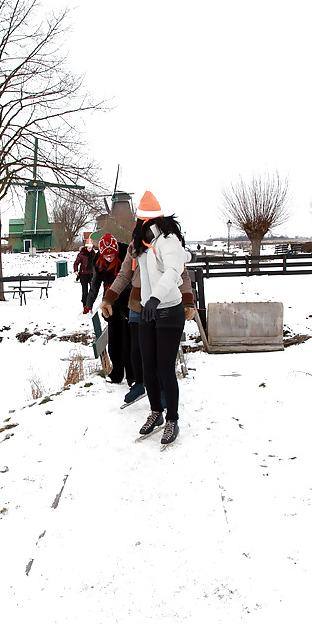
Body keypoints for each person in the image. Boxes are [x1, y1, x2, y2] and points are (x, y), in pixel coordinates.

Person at [123, 191, 195, 445]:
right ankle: (156, 412)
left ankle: (173, 418)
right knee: (148, 366)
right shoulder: (142, 243)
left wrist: (155, 298)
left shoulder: (168, 239)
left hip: (169, 309)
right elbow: (133, 270)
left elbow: (175, 269)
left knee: (165, 368)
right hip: (147, 311)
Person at [100, 238, 195, 407]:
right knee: (136, 348)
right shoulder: (134, 246)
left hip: (162, 302)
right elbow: (124, 274)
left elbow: (183, 275)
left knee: (160, 351)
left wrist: (188, 301)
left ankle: (163, 390)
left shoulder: (168, 245)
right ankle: (140, 382)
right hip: (137, 302)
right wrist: (109, 298)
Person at [85, 233, 133, 385]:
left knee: (128, 342)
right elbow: (94, 284)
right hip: (110, 304)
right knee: (113, 341)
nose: (110, 258)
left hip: (128, 301)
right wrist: (89, 303)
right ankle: (117, 373)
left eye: (112, 255)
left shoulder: (126, 255)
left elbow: (132, 279)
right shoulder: (98, 262)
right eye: (106, 256)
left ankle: (132, 375)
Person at [73, 241, 95, 314]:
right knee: (85, 291)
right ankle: (84, 305)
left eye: (91, 248)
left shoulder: (93, 254)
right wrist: (76, 270)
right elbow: (76, 263)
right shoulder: (81, 254)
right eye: (88, 248)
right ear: (86, 247)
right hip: (83, 274)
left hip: (91, 274)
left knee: (92, 291)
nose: (90, 249)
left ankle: (90, 306)